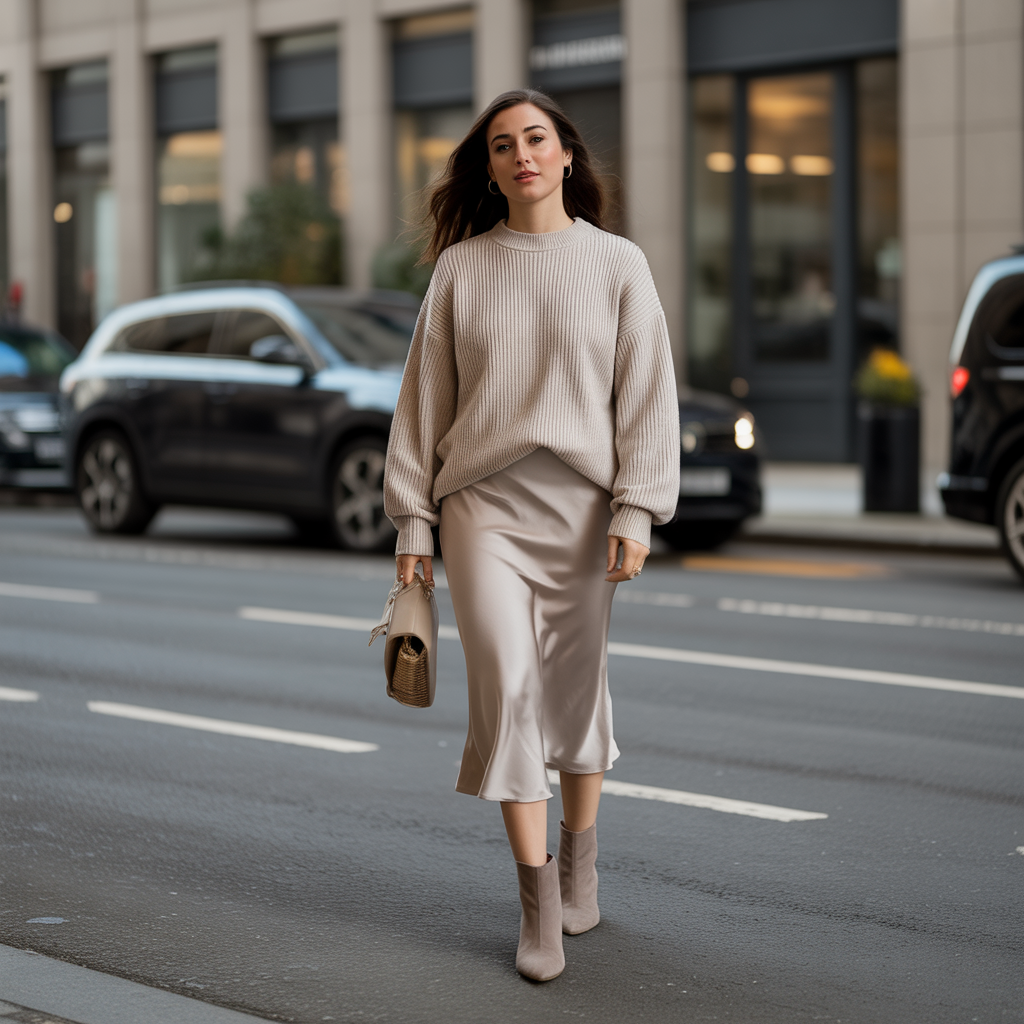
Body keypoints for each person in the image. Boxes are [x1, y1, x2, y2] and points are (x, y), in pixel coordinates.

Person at [383, 89, 679, 981]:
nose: (522, 155)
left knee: (576, 697)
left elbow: (647, 394)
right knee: (509, 693)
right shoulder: (461, 270)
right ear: (490, 169)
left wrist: (636, 508)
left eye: (537, 138)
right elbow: (422, 405)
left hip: (582, 511)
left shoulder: (618, 264)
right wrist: (413, 524)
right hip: (482, 510)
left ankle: (582, 861)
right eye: (504, 145)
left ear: (566, 155)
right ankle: (538, 898)